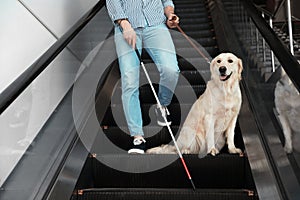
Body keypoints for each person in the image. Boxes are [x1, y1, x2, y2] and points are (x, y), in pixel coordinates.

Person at [106, 0, 180, 154]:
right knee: (129, 79)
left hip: (156, 23)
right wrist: (124, 23)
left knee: (171, 70)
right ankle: (137, 136)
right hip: (127, 25)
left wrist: (170, 14)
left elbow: (166, 1)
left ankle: (162, 105)